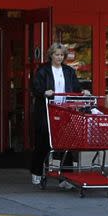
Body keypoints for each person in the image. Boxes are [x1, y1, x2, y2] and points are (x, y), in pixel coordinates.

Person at [30, 43, 89, 186]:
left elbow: (75, 87)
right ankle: (37, 172)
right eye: (57, 54)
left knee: (66, 142)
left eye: (62, 55)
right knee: (43, 142)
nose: (59, 57)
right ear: (51, 55)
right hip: (47, 110)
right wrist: (44, 92)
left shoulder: (68, 71)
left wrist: (82, 92)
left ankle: (66, 177)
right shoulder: (43, 70)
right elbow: (35, 86)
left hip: (64, 111)